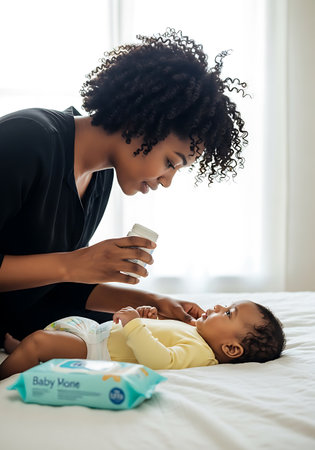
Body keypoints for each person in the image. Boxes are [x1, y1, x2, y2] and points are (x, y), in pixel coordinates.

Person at [0, 28, 248, 350]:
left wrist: (155, 302)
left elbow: (53, 286)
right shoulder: (27, 141)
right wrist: (75, 263)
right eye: (172, 162)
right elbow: (63, 269)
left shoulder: (99, 178)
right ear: (140, 124)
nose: (167, 180)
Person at [0, 300, 285, 379]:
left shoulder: (201, 354)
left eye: (228, 313)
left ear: (231, 349)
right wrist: (148, 316)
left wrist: (136, 325)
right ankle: (16, 348)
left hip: (95, 352)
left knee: (40, 342)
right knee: (54, 330)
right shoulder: (196, 333)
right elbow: (160, 336)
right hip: (97, 333)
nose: (218, 307)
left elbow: (159, 360)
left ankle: (8, 370)